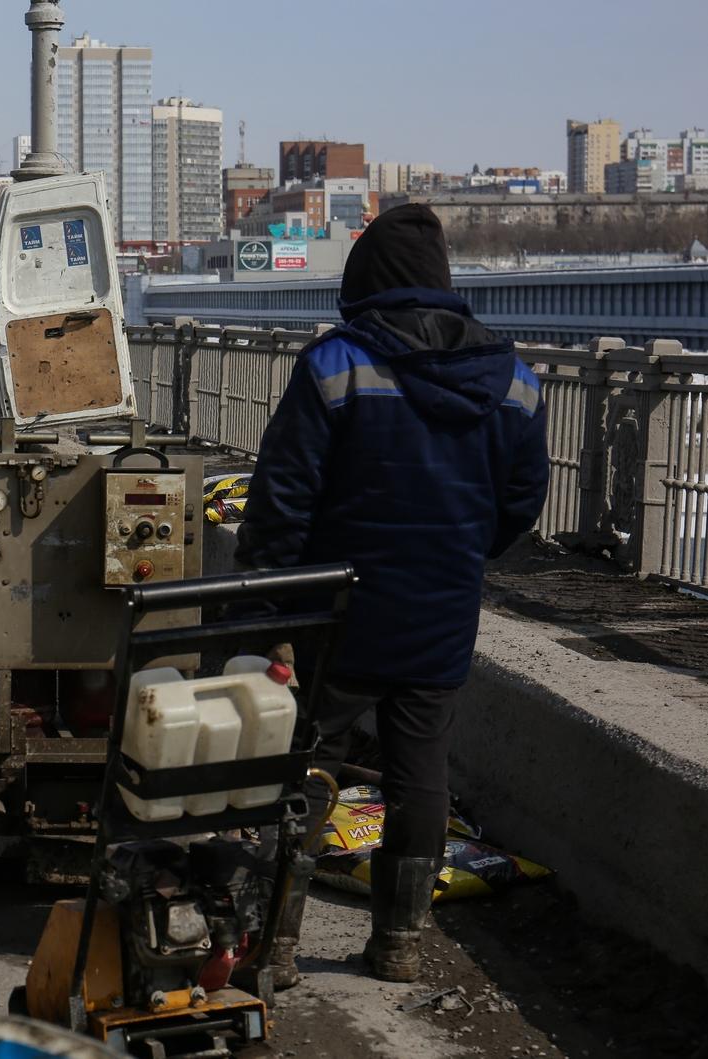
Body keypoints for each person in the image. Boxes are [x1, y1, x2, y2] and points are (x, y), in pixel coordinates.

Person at [236, 204, 549, 983]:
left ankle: (274, 942)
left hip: (337, 608)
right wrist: (461, 555)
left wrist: (270, 610)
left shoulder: (335, 364)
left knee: (309, 764)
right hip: (439, 608)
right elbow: (520, 501)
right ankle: (399, 942)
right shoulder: (514, 379)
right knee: (420, 772)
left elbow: (282, 499)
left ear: (365, 280)